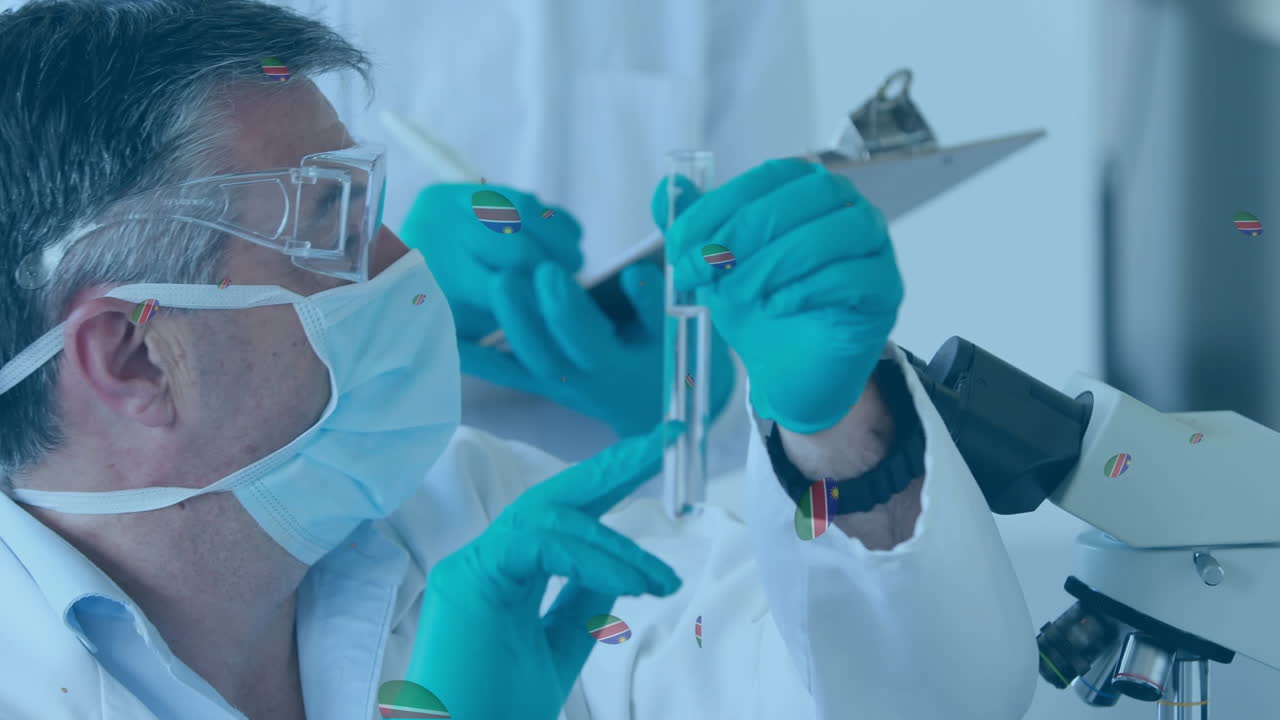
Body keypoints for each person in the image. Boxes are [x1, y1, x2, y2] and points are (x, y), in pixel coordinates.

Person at [0, 2, 1038, 719]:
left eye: (373, 205)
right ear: (136, 356)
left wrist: (839, 439)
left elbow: (895, 698)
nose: (402, 263)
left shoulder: (484, 524)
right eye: (332, 223)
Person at [264, 0, 815, 466]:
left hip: (650, 528)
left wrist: (708, 397)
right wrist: (374, 299)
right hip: (351, 529)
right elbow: (195, 326)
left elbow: (779, 287)